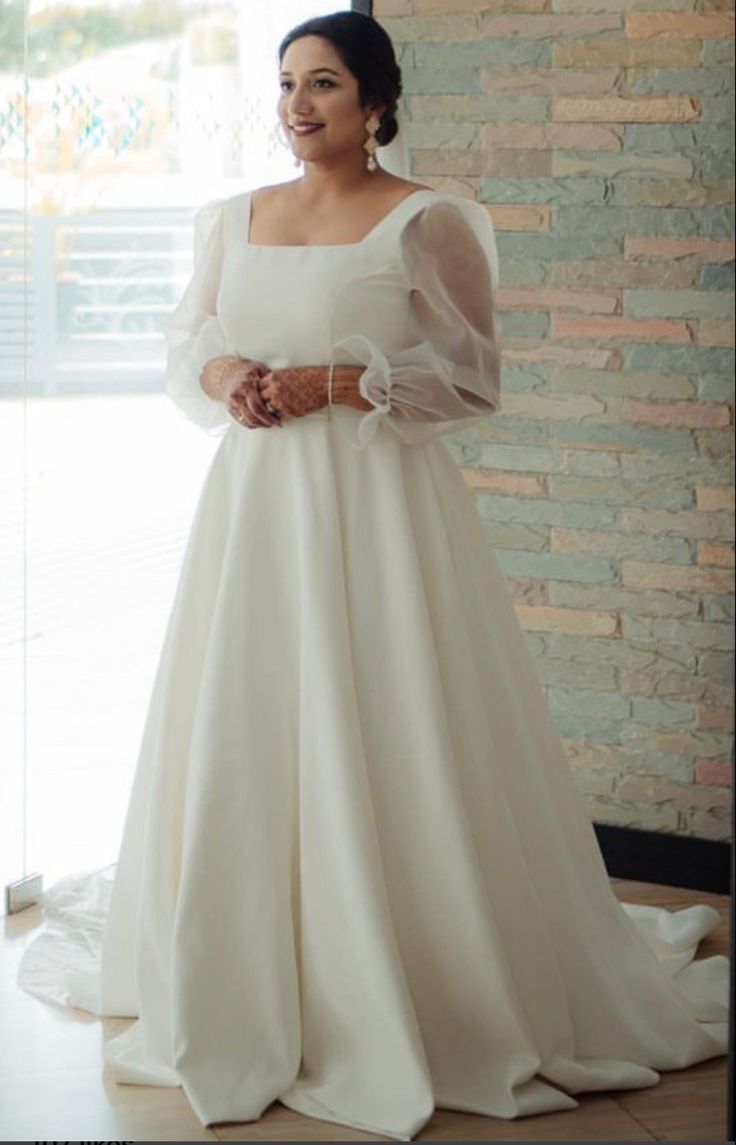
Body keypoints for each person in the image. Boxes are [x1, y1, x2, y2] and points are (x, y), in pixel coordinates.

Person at [17, 9, 728, 1143]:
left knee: (388, 712)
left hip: (379, 510)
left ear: (377, 102)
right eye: (288, 83)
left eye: (326, 85)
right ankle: (247, 961)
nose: (299, 106)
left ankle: (401, 967)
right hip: (254, 514)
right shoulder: (231, 217)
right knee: (249, 717)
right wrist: (235, 371)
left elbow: (472, 377)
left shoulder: (427, 219)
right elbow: (183, 340)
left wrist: (339, 384)